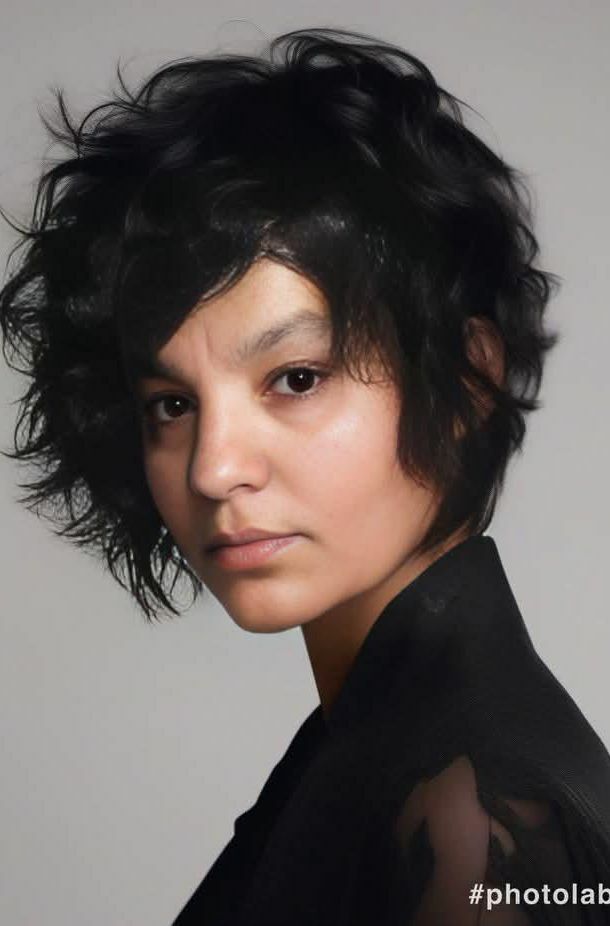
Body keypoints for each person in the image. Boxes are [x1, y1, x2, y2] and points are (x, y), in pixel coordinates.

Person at [1, 25, 610, 926]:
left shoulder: (475, 815)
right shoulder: (380, 745)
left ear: (469, 378)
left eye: (294, 379)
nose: (214, 468)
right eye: (172, 403)